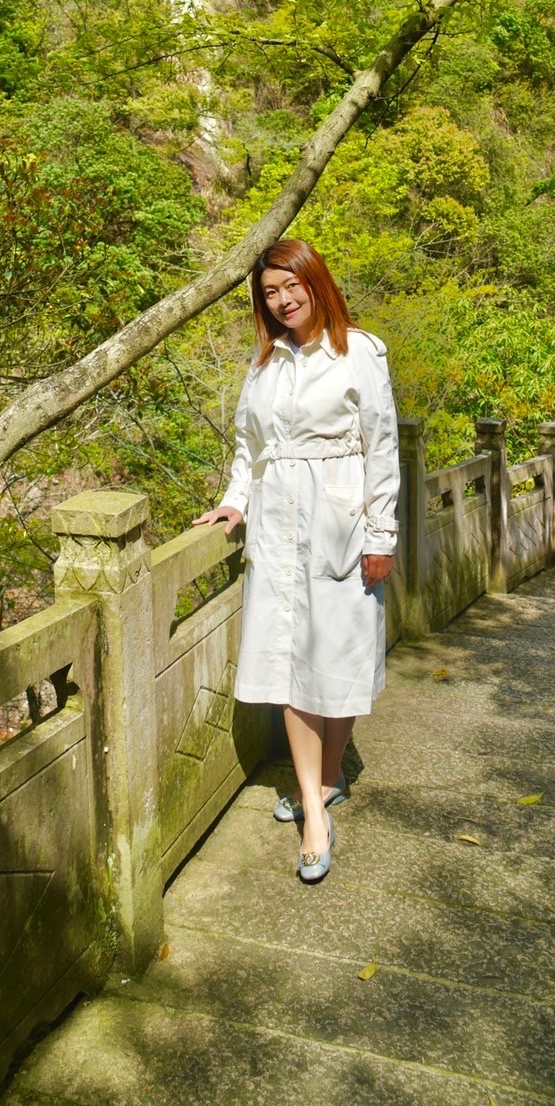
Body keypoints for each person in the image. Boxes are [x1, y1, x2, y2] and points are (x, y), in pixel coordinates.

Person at [193, 238, 400, 883]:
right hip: (278, 525)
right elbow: (247, 447)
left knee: (336, 658)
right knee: (291, 663)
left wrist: (381, 535)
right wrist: (234, 503)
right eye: (270, 293)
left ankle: (331, 775)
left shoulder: (357, 352)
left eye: (291, 286)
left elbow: (382, 446)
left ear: (315, 283)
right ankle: (314, 809)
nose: (283, 301)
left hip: (341, 523)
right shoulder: (265, 364)